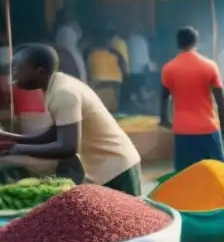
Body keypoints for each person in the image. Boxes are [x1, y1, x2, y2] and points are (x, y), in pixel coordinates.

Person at [0, 44, 142, 194]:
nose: (12, 75)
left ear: (39, 72)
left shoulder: (63, 93)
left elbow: (67, 147)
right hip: (104, 169)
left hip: (117, 169)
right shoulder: (55, 85)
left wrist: (15, 150)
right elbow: (53, 134)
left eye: (17, 69)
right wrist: (12, 139)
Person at [161, 27, 224, 172]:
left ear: (178, 44)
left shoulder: (169, 68)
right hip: (208, 129)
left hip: (183, 130)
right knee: (219, 174)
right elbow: (221, 100)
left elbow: (164, 97)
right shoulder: (209, 66)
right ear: (196, 42)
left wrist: (164, 119)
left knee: (185, 176)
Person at [87, 30, 127, 113]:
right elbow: (124, 68)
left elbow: (87, 72)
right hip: (114, 83)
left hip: (98, 84)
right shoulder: (116, 53)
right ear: (108, 42)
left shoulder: (90, 53)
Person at [126, 28, 152, 111]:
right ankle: (142, 103)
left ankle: (137, 104)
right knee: (141, 86)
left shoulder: (130, 40)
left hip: (133, 69)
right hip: (143, 68)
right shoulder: (142, 40)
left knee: (135, 89)